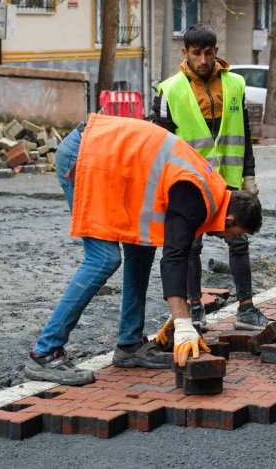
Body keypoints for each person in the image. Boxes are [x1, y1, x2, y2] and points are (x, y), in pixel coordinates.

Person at [24, 113, 262, 386]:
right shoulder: (195, 195)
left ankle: (129, 345)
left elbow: (175, 250)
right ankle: (44, 352)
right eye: (234, 234)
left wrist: (179, 315)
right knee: (103, 259)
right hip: (87, 155)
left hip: (114, 163)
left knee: (142, 248)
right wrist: (183, 323)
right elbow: (175, 256)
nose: (227, 239)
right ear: (230, 219)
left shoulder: (216, 191)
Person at [154, 23, 268, 331]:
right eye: (196, 54)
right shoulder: (170, 90)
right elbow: (161, 142)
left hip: (229, 180)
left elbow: (242, 132)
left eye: (208, 53)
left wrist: (249, 174)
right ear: (185, 53)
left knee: (239, 239)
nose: (203, 60)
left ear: (216, 52)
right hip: (191, 184)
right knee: (191, 245)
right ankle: (193, 310)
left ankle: (246, 308)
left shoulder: (235, 84)